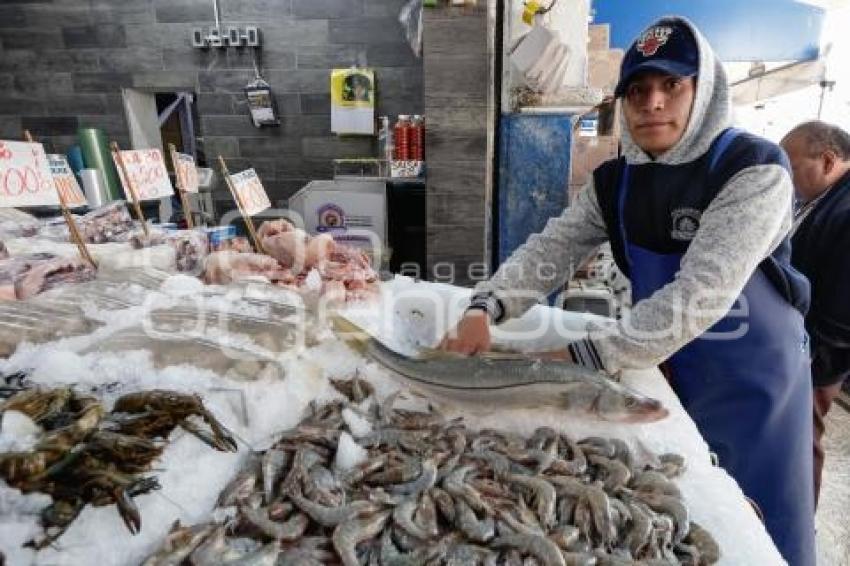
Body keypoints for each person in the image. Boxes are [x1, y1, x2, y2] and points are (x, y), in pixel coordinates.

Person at [440, 16, 815, 566]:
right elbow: (553, 250)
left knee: (755, 524)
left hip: (753, 382)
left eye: (672, 85)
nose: (653, 102)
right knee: (677, 515)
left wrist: (586, 354)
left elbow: (700, 295)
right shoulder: (614, 182)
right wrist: (487, 305)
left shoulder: (753, 169)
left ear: (704, 88)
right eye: (637, 90)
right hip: (661, 364)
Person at [781, 120, 850, 505]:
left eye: (790, 166)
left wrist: (807, 361)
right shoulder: (820, 201)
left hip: (817, 359)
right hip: (802, 348)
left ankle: (797, 527)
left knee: (802, 441)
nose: (784, 177)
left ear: (826, 161)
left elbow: (842, 314)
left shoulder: (845, 210)